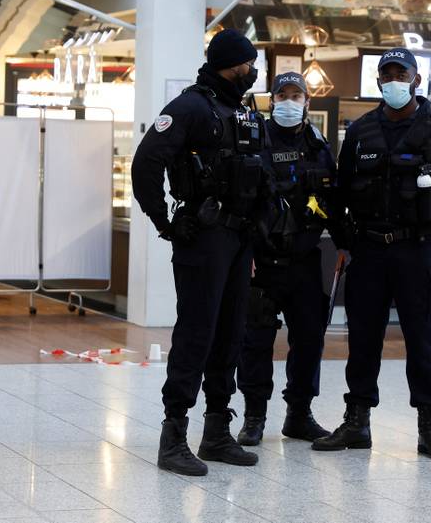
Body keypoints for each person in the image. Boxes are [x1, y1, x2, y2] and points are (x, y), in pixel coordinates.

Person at [311, 47, 431, 462]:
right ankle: (357, 421)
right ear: (379, 81)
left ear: (416, 79)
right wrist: (345, 240)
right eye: (387, 75)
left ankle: (429, 427)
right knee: (363, 338)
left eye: (402, 74)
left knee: (422, 339)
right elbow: (340, 191)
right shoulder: (361, 131)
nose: (394, 81)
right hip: (368, 250)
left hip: (418, 251)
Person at [131, 28, 267, 476]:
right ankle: (173, 437)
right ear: (231, 64)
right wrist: (165, 221)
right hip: (204, 237)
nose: (252, 71)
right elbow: (146, 162)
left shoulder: (241, 110)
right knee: (196, 334)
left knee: (230, 334)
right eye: (248, 63)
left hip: (238, 238)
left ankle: (216, 432)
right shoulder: (190, 107)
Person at [235, 72, 340, 446]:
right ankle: (254, 416)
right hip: (261, 261)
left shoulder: (318, 145)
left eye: (297, 96)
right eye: (283, 96)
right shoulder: (254, 140)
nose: (290, 102)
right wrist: (243, 251)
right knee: (255, 341)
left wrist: (345, 244)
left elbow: (333, 200)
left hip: (304, 260)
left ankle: (299, 414)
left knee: (310, 338)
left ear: (307, 102)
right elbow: (239, 200)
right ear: (272, 101)